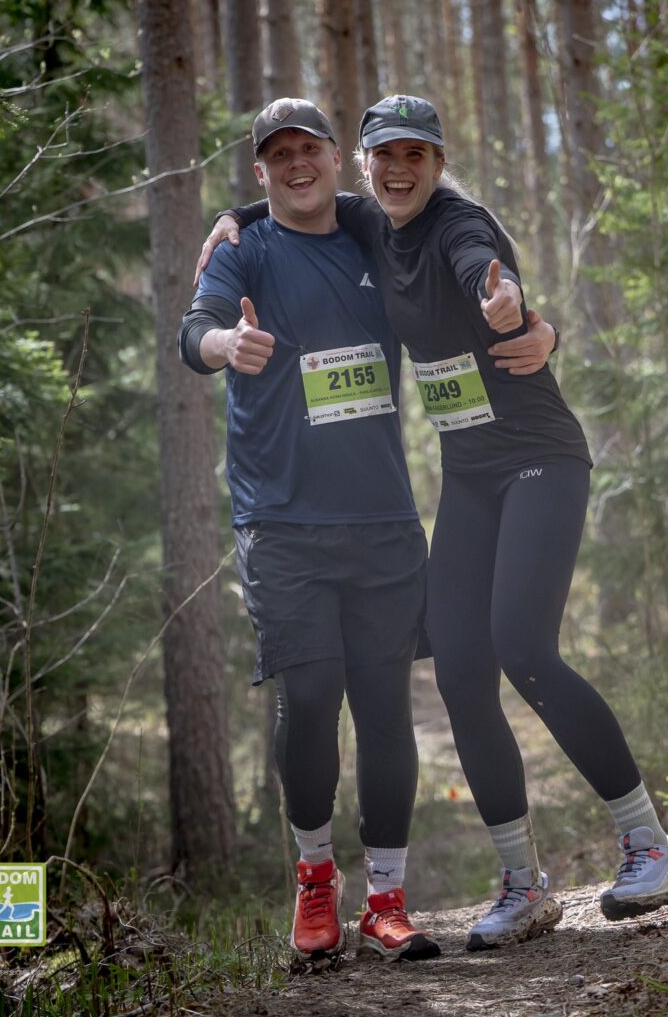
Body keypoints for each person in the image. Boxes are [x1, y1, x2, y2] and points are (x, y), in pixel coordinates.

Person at [202, 95, 668, 951]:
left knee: (523, 646)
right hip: (470, 472)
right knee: (462, 670)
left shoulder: (458, 223)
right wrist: (235, 217)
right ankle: (523, 886)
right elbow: (301, 198)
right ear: (365, 165)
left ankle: (650, 844)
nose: (399, 172)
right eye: (385, 157)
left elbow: (482, 265)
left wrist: (512, 305)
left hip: (538, 456)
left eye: (417, 156)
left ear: (439, 163)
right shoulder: (373, 222)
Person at [179, 98, 555, 966]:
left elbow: (458, 263)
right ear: (261, 170)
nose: (296, 164)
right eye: (277, 154)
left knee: (386, 712)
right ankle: (316, 881)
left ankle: (387, 900)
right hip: (281, 522)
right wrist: (223, 345)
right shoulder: (244, 249)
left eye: (308, 148)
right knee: (311, 696)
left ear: (333, 155)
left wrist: (541, 327)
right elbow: (193, 330)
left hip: (384, 522)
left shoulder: (372, 234)